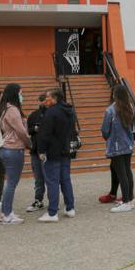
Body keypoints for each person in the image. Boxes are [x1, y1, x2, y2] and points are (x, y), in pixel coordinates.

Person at [36, 88, 77, 222]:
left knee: (52, 181)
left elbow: (44, 134)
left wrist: (41, 151)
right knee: (65, 179)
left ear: (54, 98)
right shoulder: (69, 110)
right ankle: (70, 207)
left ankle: (52, 212)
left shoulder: (51, 112)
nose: (46, 99)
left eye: (48, 97)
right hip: (66, 149)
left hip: (53, 151)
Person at [0, 83, 31, 224]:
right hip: (14, 148)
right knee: (11, 183)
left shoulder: (4, 108)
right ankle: (7, 214)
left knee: (9, 182)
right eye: (20, 93)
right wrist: (29, 143)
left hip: (5, 147)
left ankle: (6, 212)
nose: (22, 96)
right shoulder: (13, 110)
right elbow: (21, 130)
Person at [102, 85, 135, 212]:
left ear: (114, 95)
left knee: (121, 173)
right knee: (127, 171)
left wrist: (109, 138)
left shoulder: (110, 110)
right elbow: (133, 129)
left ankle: (126, 202)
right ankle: (129, 197)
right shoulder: (130, 109)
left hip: (116, 146)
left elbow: (105, 131)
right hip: (128, 144)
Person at [26, 94, 49, 212]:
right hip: (35, 150)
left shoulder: (52, 114)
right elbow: (28, 130)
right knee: (38, 178)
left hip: (48, 150)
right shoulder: (33, 115)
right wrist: (34, 129)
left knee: (50, 177)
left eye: (46, 101)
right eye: (43, 101)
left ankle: (52, 200)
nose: (44, 103)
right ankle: (38, 200)